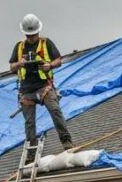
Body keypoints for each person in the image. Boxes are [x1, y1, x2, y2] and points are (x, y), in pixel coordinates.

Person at [8, 13, 73, 150]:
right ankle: (31, 151)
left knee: (55, 111)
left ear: (38, 31)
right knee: (29, 123)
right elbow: (11, 67)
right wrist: (20, 63)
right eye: (28, 35)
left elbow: (58, 60)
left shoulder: (46, 43)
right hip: (26, 90)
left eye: (33, 35)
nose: (31, 38)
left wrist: (49, 65)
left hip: (44, 87)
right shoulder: (19, 47)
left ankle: (66, 141)